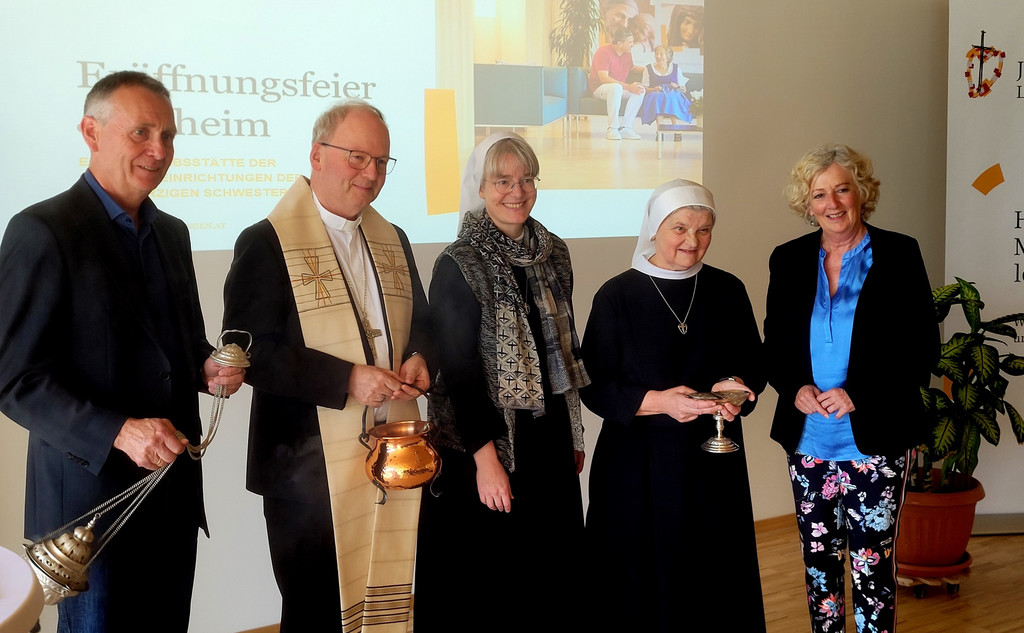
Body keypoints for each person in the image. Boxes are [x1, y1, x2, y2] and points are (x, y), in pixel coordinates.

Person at [0, 71, 245, 633]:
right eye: (141, 132)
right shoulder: (41, 230)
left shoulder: (174, 233)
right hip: (89, 510)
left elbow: (180, 347)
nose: (159, 150)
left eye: (169, 136)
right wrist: (120, 431)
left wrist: (207, 367)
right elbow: (13, 378)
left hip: (171, 494)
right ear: (91, 132)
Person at [222, 100, 434, 633]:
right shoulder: (266, 241)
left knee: (388, 598)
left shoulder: (393, 238)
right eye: (357, 157)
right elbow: (251, 353)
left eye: (381, 162)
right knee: (316, 612)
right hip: (305, 473)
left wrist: (421, 356)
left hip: (388, 456)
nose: (371, 174)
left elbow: (424, 324)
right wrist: (347, 379)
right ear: (317, 155)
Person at [415, 133, 589, 632]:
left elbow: (563, 351)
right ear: (480, 187)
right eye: (502, 181)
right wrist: (486, 461)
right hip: (489, 441)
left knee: (552, 576)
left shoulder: (554, 252)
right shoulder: (459, 262)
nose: (517, 191)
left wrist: (574, 434)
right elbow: (459, 371)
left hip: (549, 435)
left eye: (526, 179)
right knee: (493, 584)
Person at [763, 144, 938, 633]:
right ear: (807, 202)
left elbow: (922, 347)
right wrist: (793, 387)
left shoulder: (899, 253)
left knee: (871, 564)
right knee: (818, 562)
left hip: (876, 435)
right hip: (809, 437)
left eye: (842, 189)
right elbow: (774, 344)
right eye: (819, 194)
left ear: (861, 192)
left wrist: (859, 392)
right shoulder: (788, 258)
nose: (832, 203)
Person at [581, 179, 766, 632]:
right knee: (639, 581)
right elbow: (594, 385)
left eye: (704, 230)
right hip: (637, 466)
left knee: (713, 580)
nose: (692, 241)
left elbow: (753, 363)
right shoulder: (616, 295)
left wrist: (737, 387)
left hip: (711, 463)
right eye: (680, 228)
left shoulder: (727, 288)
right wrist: (659, 402)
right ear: (654, 228)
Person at [589, 27, 646, 140]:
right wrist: (628, 87)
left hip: (618, 88)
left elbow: (632, 68)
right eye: (630, 42)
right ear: (620, 43)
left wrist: (650, 69)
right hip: (600, 88)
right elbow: (604, 78)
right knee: (616, 88)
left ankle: (626, 127)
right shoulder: (603, 52)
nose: (632, 45)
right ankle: (612, 128)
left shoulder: (627, 54)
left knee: (640, 90)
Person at [639, 45, 693, 129]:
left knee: (672, 96)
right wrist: (654, 89)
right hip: (655, 93)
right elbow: (644, 88)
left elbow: (684, 89)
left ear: (668, 56)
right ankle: (659, 129)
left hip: (673, 94)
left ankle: (676, 128)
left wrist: (676, 87)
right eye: (656, 54)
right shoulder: (648, 68)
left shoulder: (676, 68)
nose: (658, 56)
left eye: (661, 54)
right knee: (657, 96)